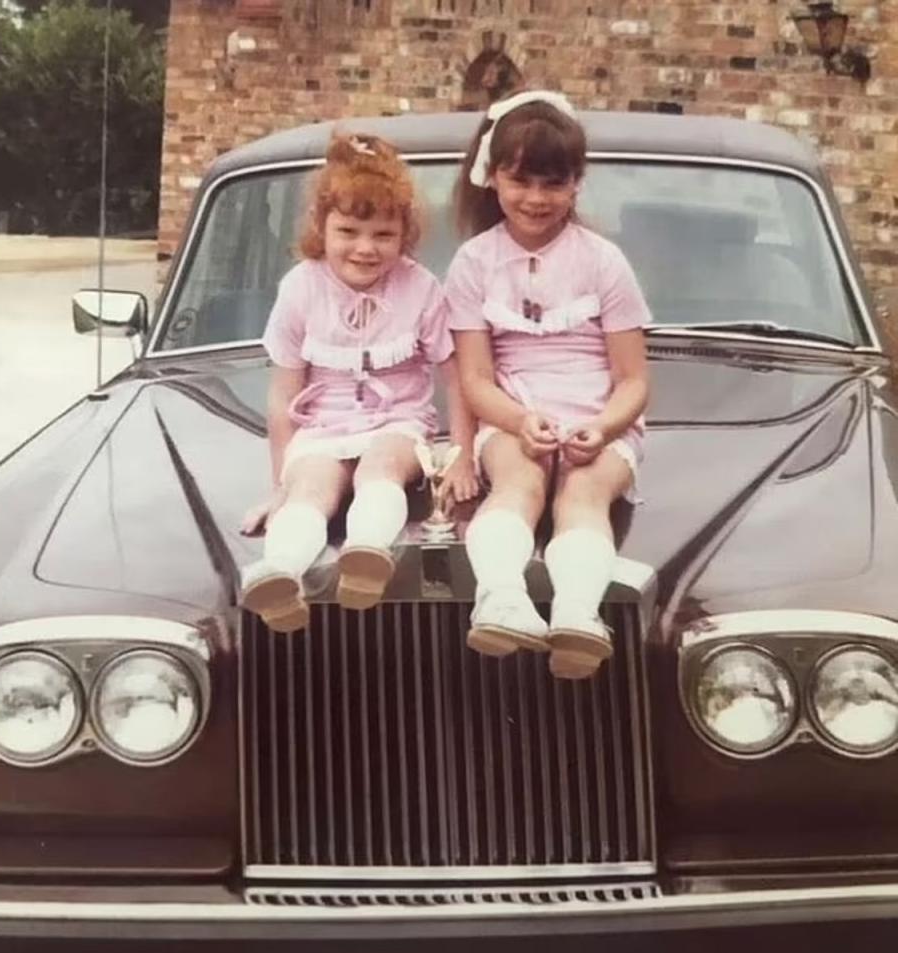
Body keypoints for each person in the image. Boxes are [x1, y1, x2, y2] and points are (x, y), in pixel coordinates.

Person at [445, 89, 650, 680]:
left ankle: (578, 614)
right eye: (521, 181)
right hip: (514, 413)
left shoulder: (604, 261)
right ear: (494, 178)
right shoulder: (473, 263)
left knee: (584, 495)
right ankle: (502, 597)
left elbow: (634, 381)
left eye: (553, 184)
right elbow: (475, 378)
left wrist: (602, 427)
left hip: (599, 417)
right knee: (516, 482)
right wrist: (517, 421)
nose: (536, 199)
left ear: (576, 183)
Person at [240, 132, 478, 632]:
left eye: (383, 235)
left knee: (381, 467)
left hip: (398, 420)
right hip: (323, 425)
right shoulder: (300, 288)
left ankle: (366, 553)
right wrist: (278, 483)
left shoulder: (420, 288)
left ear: (404, 235)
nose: (365, 249)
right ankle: (282, 572)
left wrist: (461, 457)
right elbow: (283, 393)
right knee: (310, 488)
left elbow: (456, 378)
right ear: (320, 227)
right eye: (348, 231)